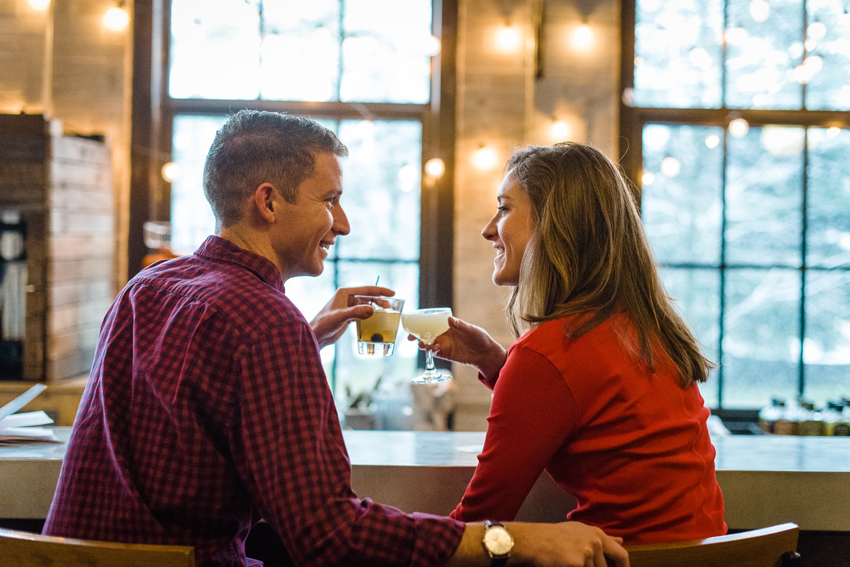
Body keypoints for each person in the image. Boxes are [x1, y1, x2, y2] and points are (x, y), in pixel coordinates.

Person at [43, 110, 629, 567]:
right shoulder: (262, 322)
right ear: (268, 202)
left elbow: (188, 397)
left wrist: (303, 337)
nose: (343, 224)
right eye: (330, 200)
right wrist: (511, 542)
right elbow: (329, 538)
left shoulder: (149, 285)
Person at [421, 142, 727, 545]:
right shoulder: (641, 326)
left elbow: (478, 523)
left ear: (553, 222)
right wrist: (496, 363)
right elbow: (592, 411)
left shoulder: (550, 353)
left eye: (505, 207)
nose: (489, 229)